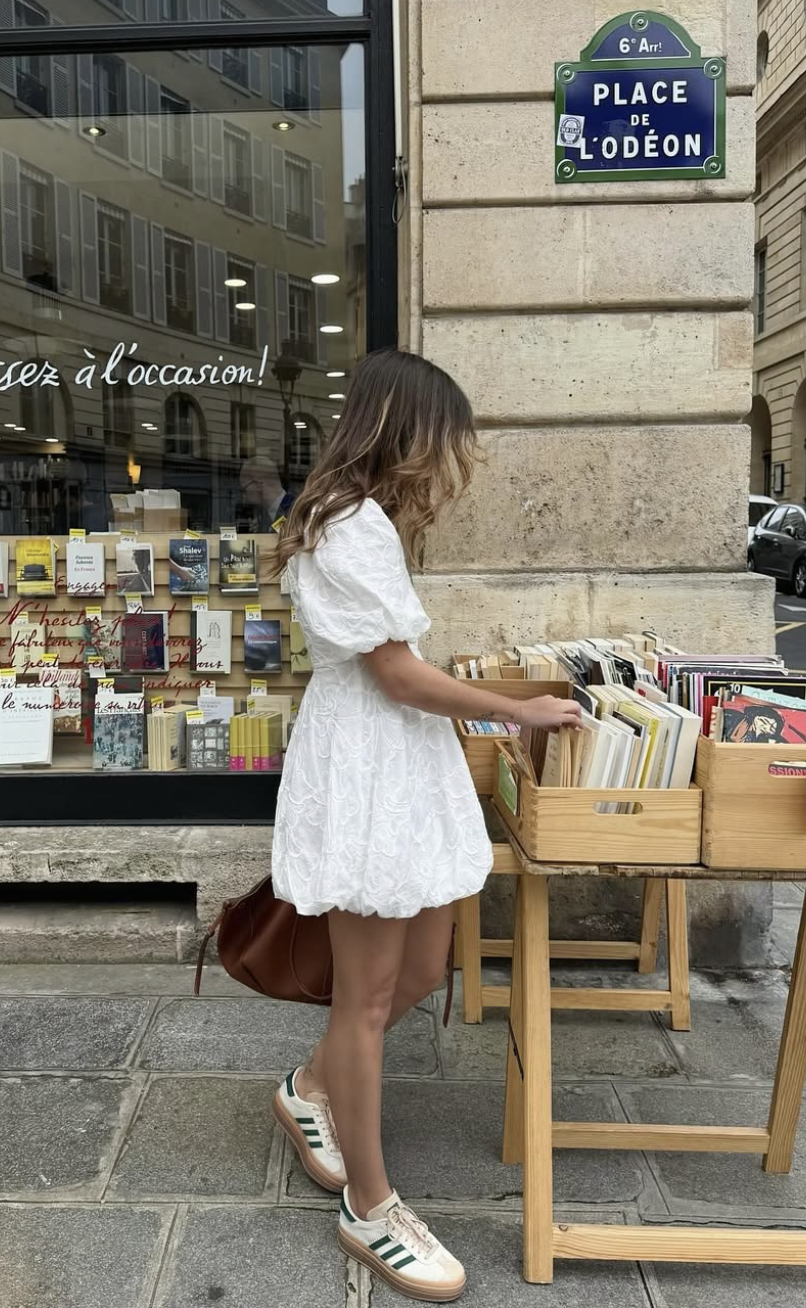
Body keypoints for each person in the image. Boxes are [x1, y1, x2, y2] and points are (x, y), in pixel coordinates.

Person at [269, 348, 581, 1302]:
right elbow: (398, 676)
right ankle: (370, 1207)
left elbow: (397, 674)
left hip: (395, 757)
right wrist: (517, 707)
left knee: (418, 967)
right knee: (368, 994)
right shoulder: (350, 524)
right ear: (400, 430)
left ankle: (311, 1086)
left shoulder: (360, 521)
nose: (446, 462)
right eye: (439, 439)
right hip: (372, 758)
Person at [239, 455, 295, 532]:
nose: (243, 496)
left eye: (244, 489)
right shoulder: (264, 516)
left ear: (258, 484)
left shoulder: (295, 510)